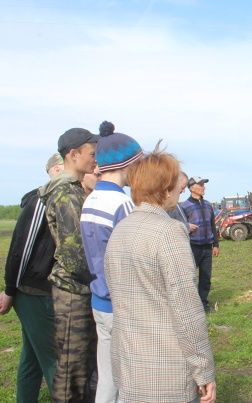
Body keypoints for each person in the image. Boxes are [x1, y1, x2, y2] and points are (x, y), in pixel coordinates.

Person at [104, 148, 216, 403]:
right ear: (165, 189)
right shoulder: (170, 232)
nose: (181, 188)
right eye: (177, 182)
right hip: (165, 370)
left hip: (128, 365)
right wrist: (204, 370)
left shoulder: (119, 230)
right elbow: (186, 308)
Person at [80, 121, 143, 403]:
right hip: (121, 303)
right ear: (125, 165)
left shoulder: (91, 200)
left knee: (107, 377)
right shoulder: (122, 205)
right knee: (128, 377)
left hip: (99, 299)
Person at [39, 127, 100, 402]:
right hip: (73, 292)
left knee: (82, 366)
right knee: (72, 368)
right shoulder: (66, 194)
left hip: (78, 289)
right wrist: (101, 279)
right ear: (73, 155)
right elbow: (76, 255)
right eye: (91, 154)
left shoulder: (74, 190)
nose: (95, 160)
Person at [0, 152, 64, 403]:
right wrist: (10, 290)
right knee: (55, 360)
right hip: (35, 291)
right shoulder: (41, 199)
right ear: (57, 169)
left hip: (42, 290)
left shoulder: (63, 198)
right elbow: (20, 249)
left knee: (32, 358)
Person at [180, 176, 220, 312]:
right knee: (189, 277)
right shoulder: (184, 206)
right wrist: (185, 226)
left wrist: (215, 244)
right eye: (201, 185)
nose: (204, 187)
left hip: (207, 247)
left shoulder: (208, 205)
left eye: (204, 185)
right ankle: (189, 306)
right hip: (192, 247)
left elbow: (213, 226)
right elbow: (178, 226)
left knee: (205, 278)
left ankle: (203, 304)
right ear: (191, 187)